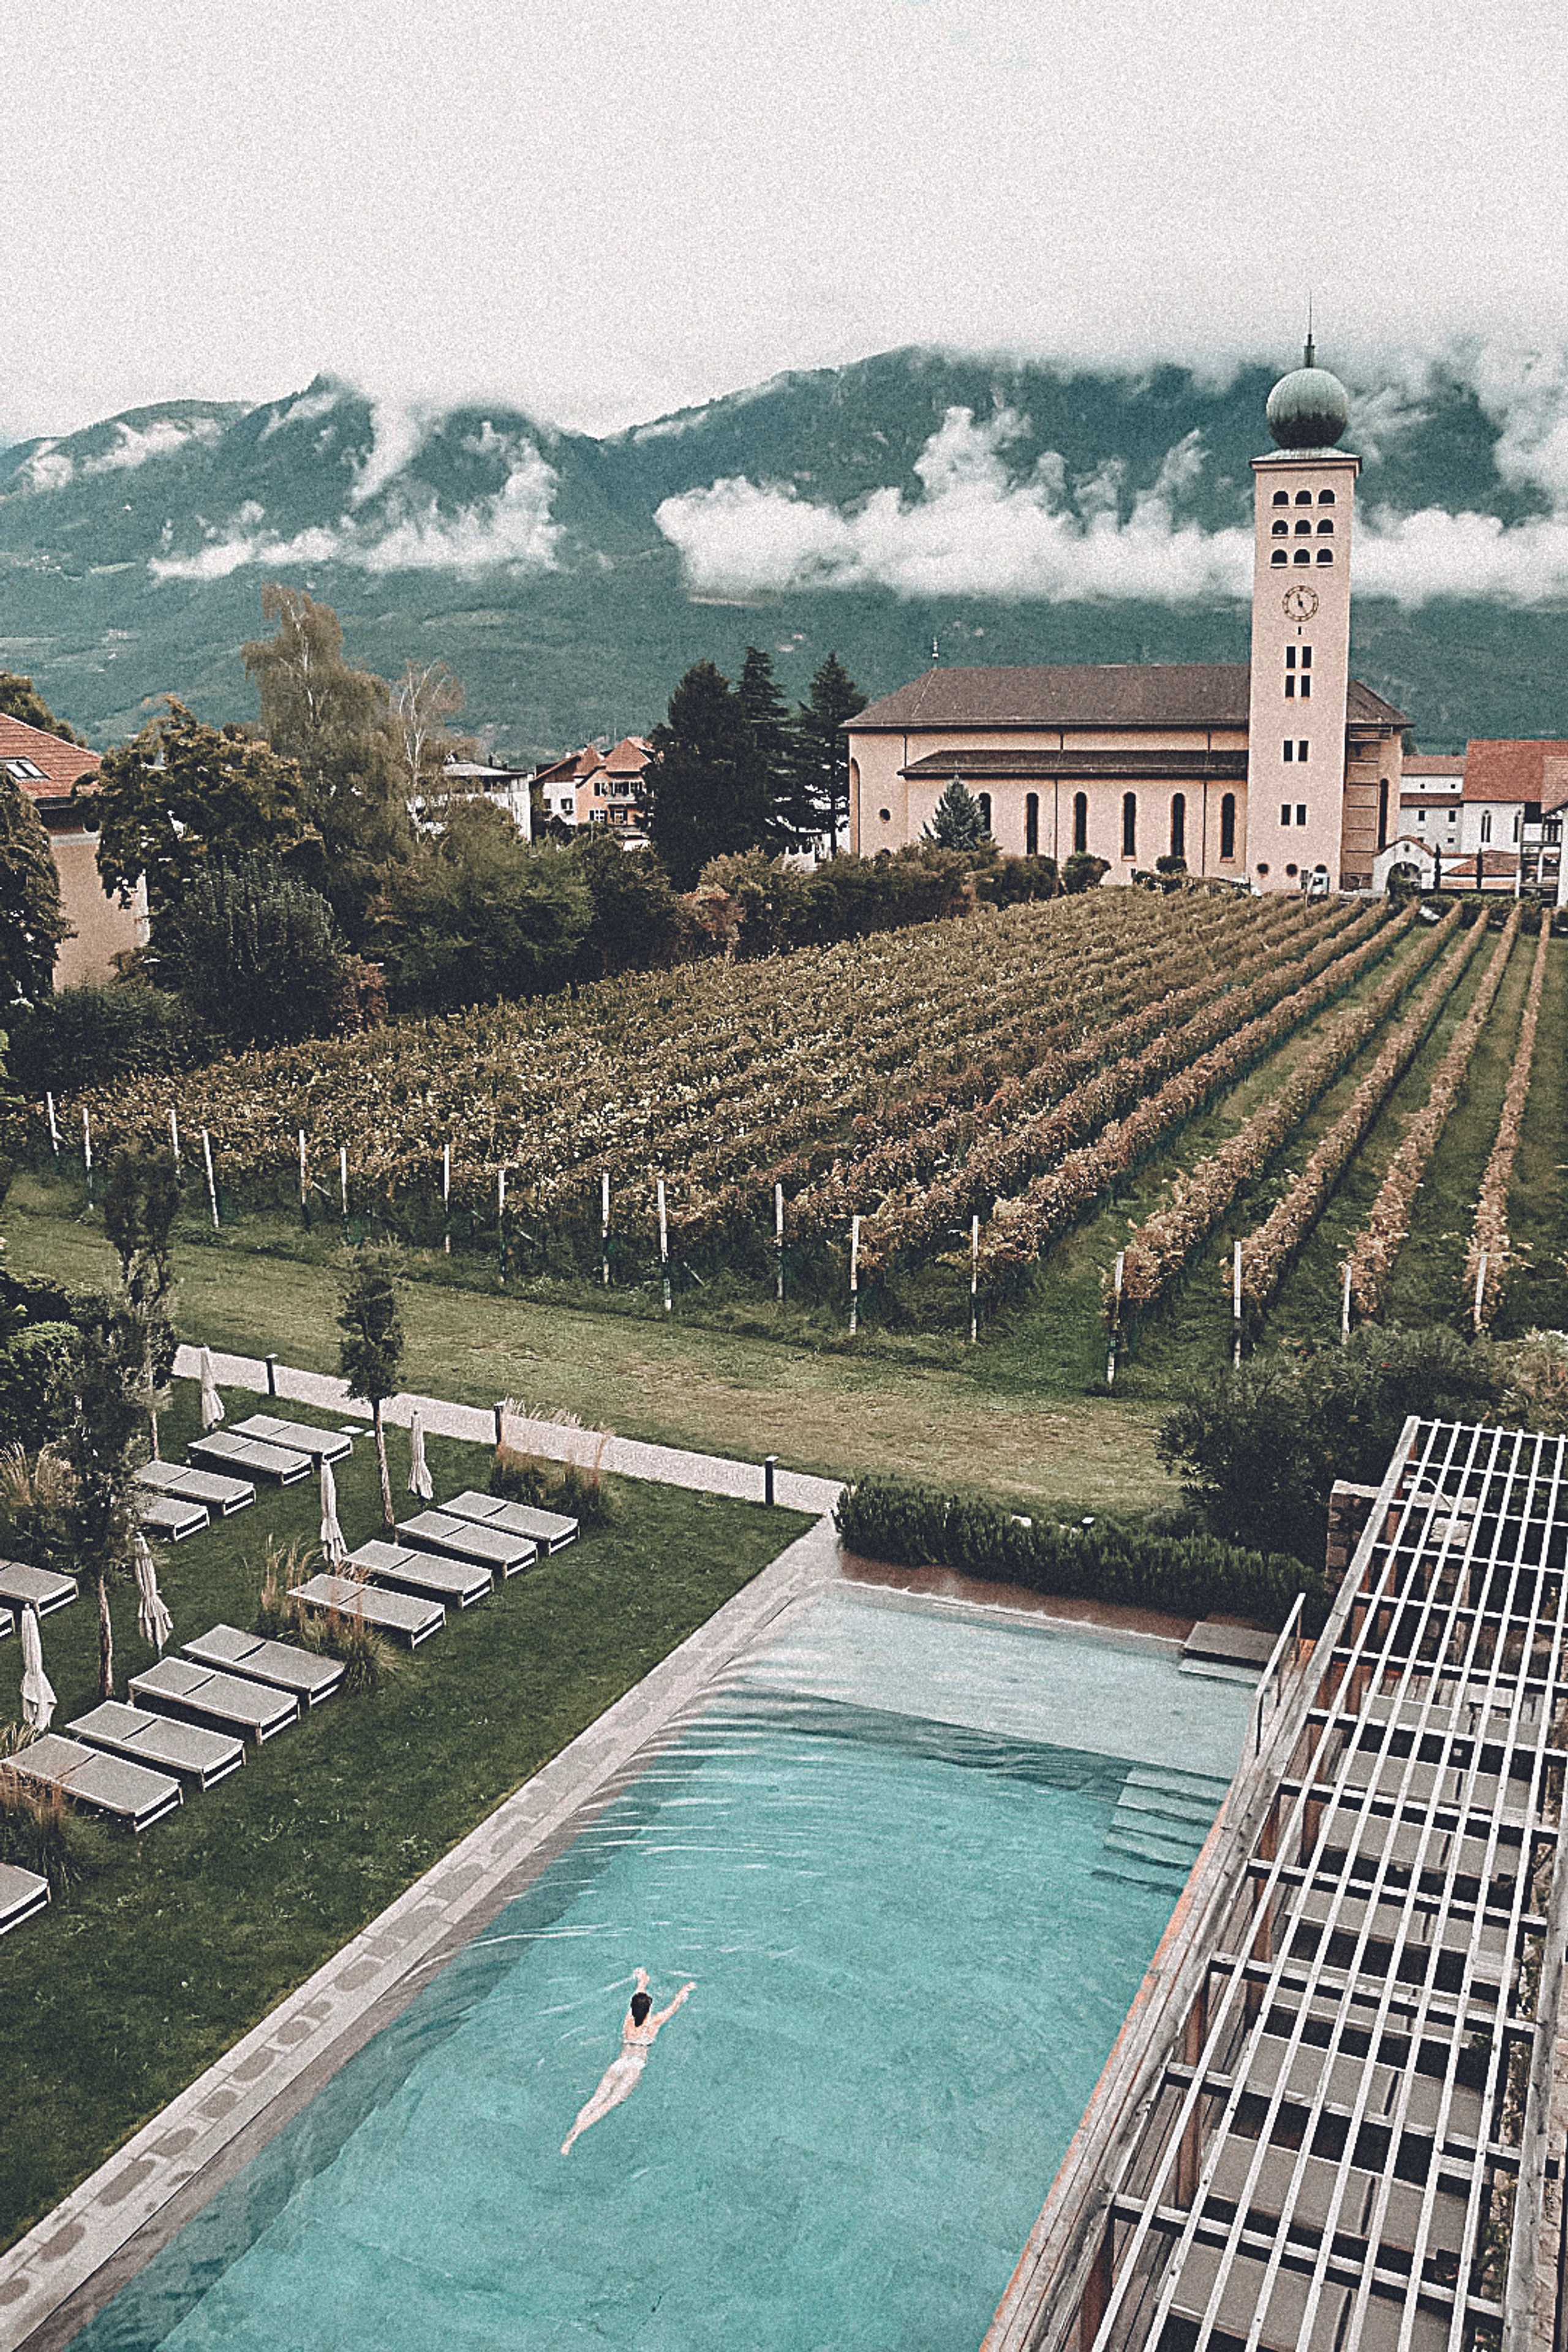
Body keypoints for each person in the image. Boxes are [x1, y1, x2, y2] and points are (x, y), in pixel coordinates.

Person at [560, 1967, 696, 2155]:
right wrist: (685, 1990)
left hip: (619, 2064)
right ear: (648, 2011)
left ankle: (573, 2133)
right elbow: (674, 2006)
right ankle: (574, 2138)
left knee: (595, 2099)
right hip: (634, 2067)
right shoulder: (654, 2023)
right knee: (609, 2103)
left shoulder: (628, 2021)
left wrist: (642, 1980)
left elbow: (637, 1997)